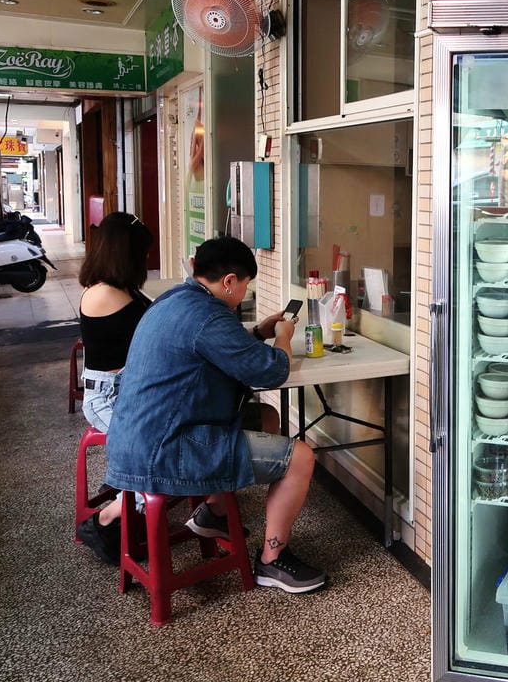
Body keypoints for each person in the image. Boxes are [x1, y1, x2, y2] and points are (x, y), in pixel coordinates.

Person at [103, 236, 326, 594]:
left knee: (266, 418)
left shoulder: (176, 299)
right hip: (167, 450)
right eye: (245, 285)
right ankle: (272, 562)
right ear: (229, 282)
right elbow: (269, 371)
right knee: (300, 458)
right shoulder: (208, 316)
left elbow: (209, 347)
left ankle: (214, 512)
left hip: (137, 438)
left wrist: (257, 332)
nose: (242, 293)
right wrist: (283, 336)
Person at [74, 212, 154, 565]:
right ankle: (106, 517)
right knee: (155, 451)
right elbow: (152, 328)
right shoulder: (105, 294)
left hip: (128, 391)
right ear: (127, 253)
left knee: (170, 440)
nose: (147, 259)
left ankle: (137, 507)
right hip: (107, 398)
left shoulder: (120, 288)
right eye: (142, 252)